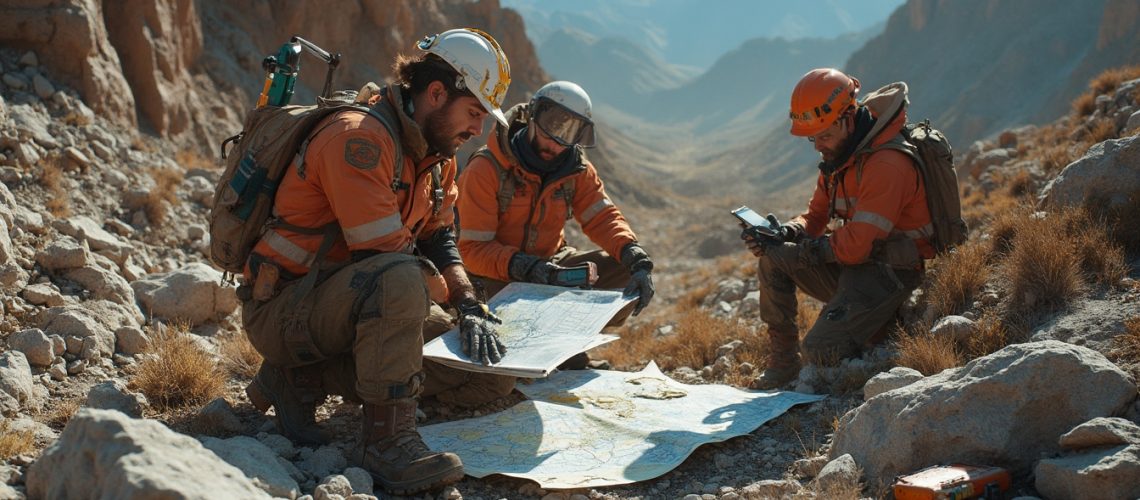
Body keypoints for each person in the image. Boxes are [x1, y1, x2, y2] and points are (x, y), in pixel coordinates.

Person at [238, 28, 511, 495]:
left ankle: (301, 378)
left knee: (492, 374)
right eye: (473, 114)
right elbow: (387, 256)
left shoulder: (437, 155)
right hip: (284, 309)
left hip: (346, 307)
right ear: (436, 93)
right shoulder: (357, 139)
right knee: (403, 279)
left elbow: (439, 236)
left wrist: (469, 304)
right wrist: (446, 301)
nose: (478, 131)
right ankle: (385, 441)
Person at [743, 68, 933, 390]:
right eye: (812, 138)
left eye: (824, 135)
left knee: (820, 351)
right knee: (773, 258)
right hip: (855, 267)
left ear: (848, 118)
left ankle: (885, 324)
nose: (818, 145)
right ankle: (783, 365)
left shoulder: (887, 165)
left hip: (890, 274)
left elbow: (857, 244)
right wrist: (787, 234)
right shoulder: (841, 156)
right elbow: (815, 216)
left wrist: (802, 252)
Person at [456, 80, 655, 326]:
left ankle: (566, 334)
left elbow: (603, 218)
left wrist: (636, 257)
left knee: (625, 270)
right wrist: (529, 268)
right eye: (550, 127)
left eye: (569, 134)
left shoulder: (577, 171)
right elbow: (472, 250)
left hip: (552, 266)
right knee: (495, 316)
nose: (556, 143)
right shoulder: (486, 169)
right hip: (495, 276)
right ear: (532, 116)